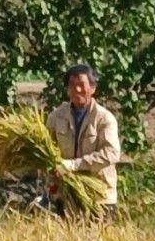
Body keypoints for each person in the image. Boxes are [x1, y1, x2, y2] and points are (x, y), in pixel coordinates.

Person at [44, 63, 122, 219]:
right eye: (72, 85)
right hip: (67, 195)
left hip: (99, 196)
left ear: (93, 88)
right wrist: (52, 179)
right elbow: (48, 150)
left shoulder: (104, 119)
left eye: (81, 85)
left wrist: (73, 165)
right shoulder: (56, 117)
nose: (77, 89)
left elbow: (112, 153)